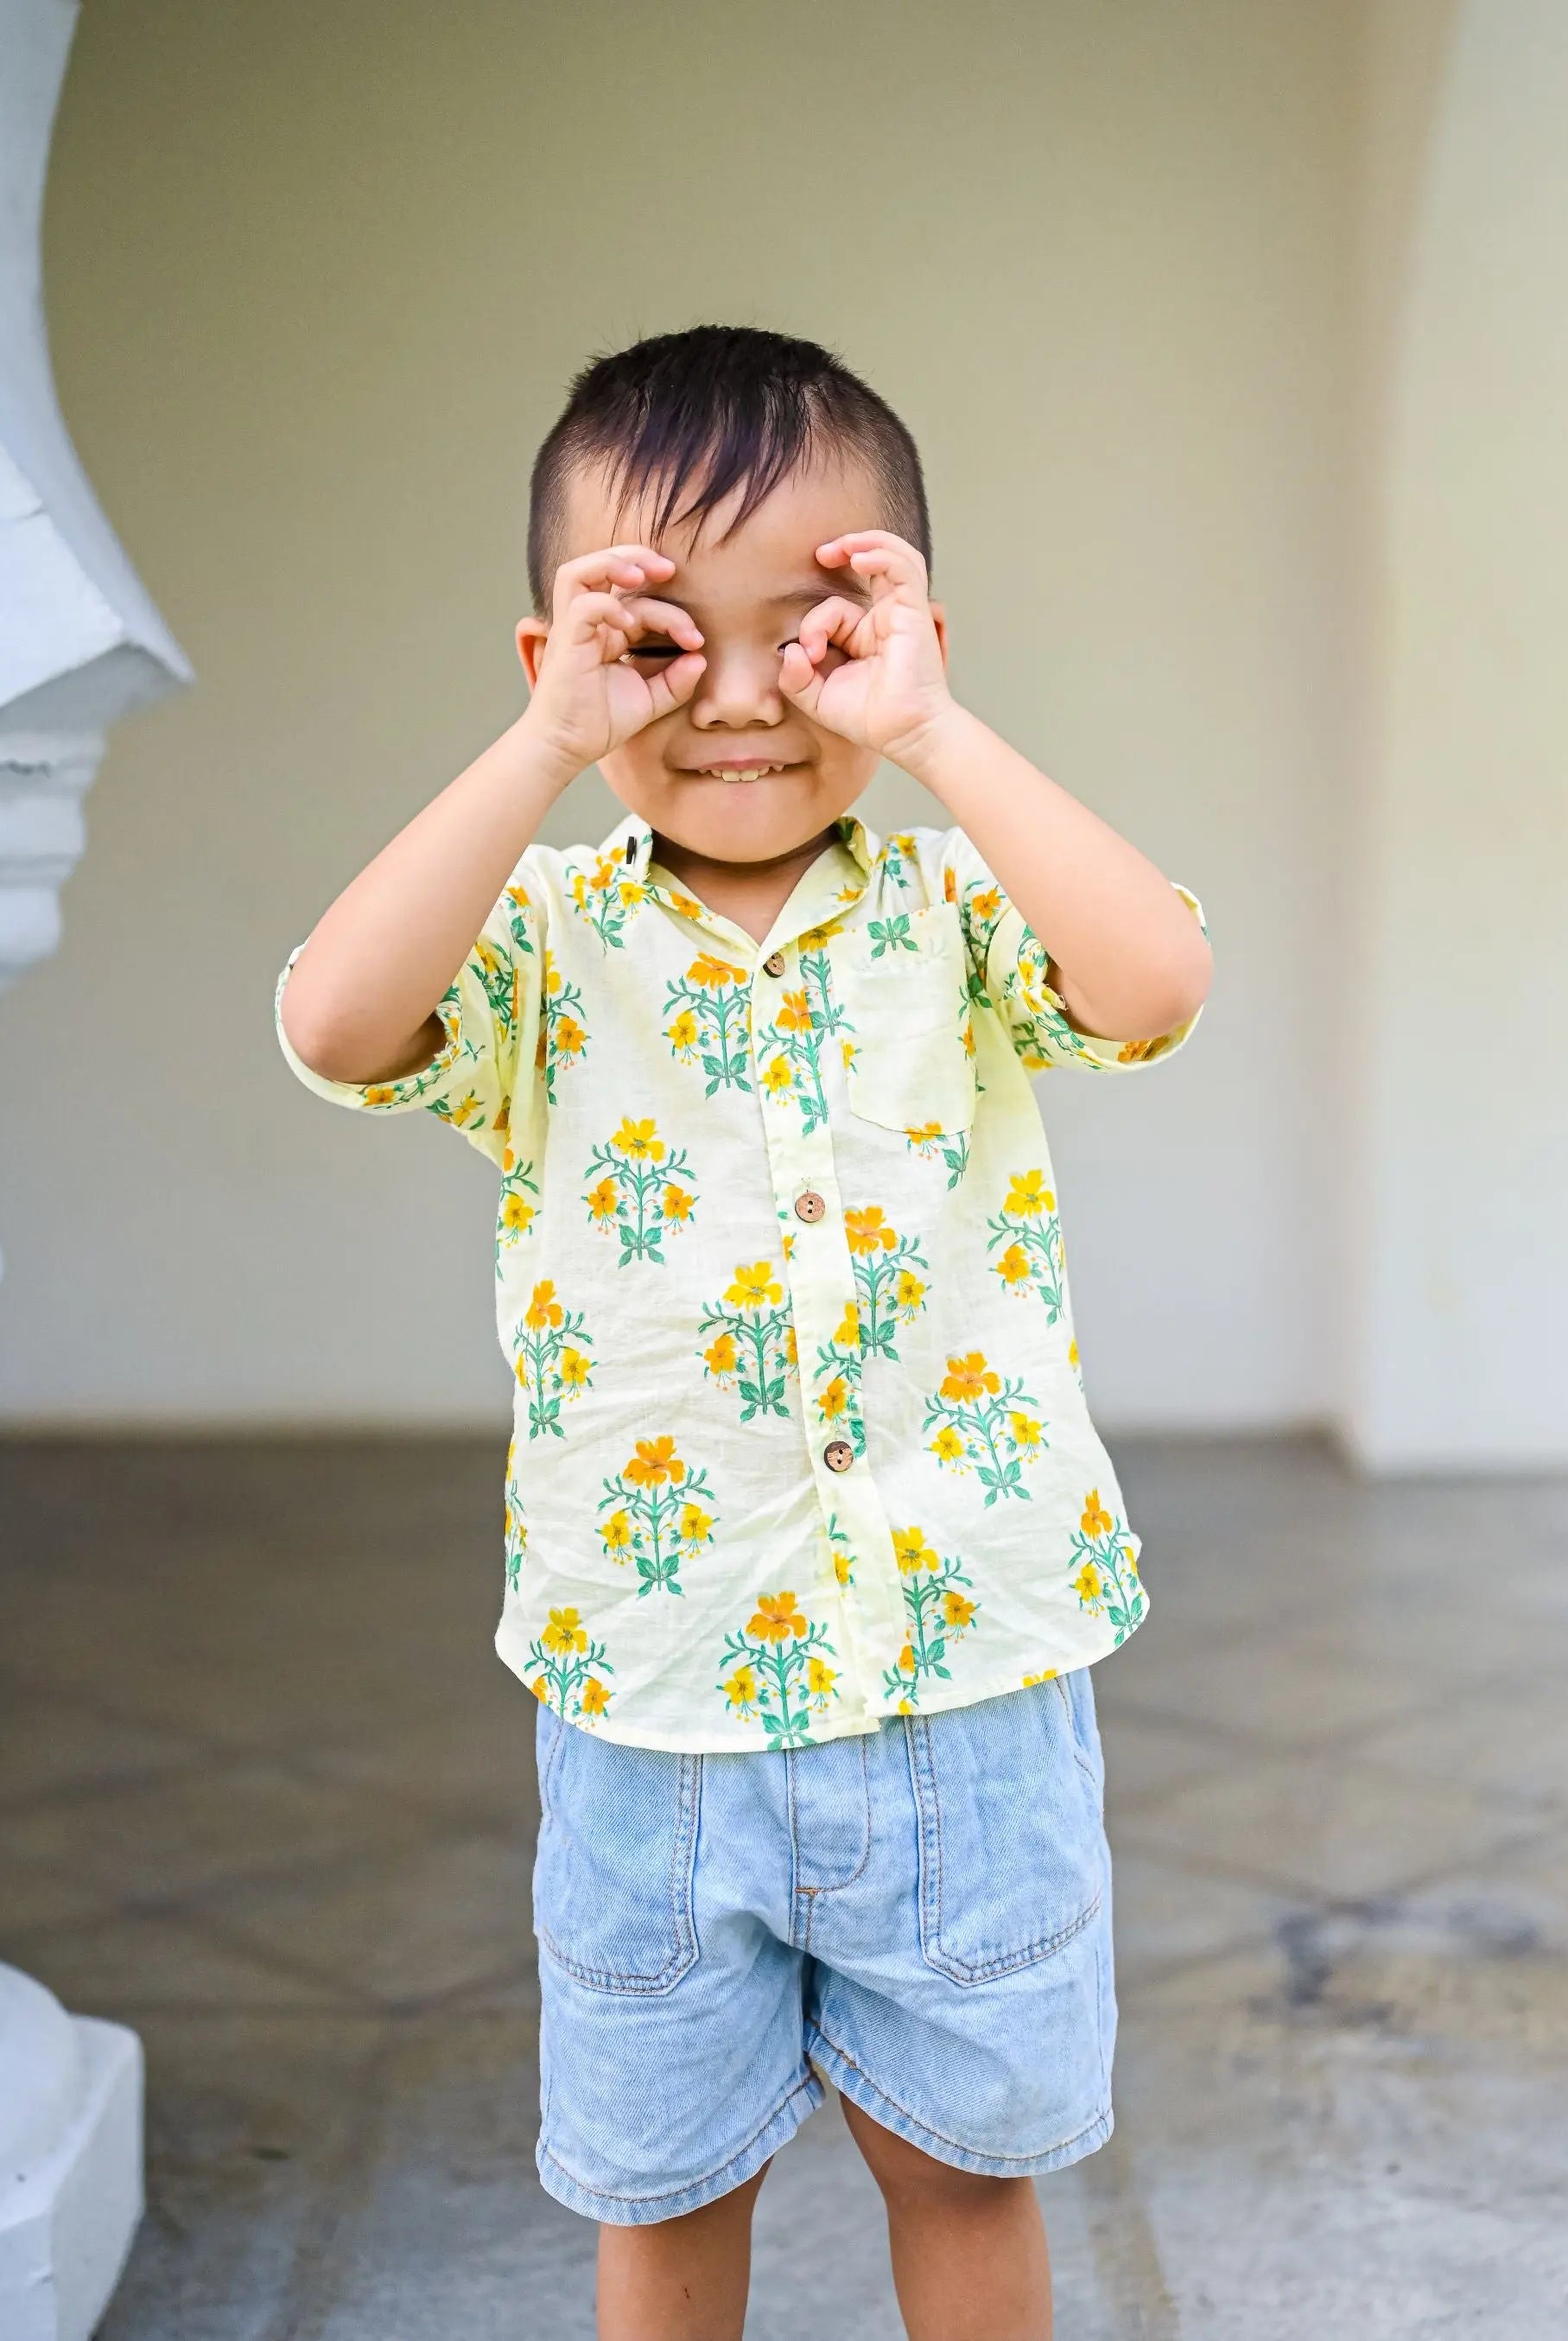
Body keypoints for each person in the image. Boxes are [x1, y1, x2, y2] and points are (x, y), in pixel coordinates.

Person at [275, 324, 1210, 2341]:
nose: (740, 699)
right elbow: (334, 1022)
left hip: (962, 1673)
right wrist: (537, 757)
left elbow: (1150, 980)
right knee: (661, 2182)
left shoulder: (956, 916)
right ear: (554, 657)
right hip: (651, 1697)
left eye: (804, 629)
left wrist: (941, 732)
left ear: (901, 635)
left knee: (961, 2162)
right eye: (660, 638)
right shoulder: (535, 945)